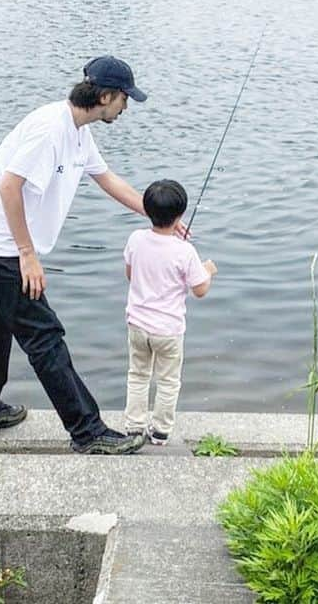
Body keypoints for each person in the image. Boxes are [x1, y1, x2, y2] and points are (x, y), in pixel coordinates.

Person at [0, 55, 161, 455]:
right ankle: (87, 431)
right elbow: (8, 188)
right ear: (104, 96)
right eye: (124, 99)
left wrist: (155, 215)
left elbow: (107, 179)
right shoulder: (50, 130)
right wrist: (27, 254)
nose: (126, 107)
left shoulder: (79, 131)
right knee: (45, 338)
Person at [121, 179, 217, 445]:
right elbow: (200, 290)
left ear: (147, 210)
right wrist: (207, 270)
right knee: (168, 381)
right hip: (168, 331)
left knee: (138, 375)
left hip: (137, 325)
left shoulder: (136, 239)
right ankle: (161, 430)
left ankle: (134, 427)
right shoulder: (185, 251)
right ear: (181, 216)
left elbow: (131, 274)